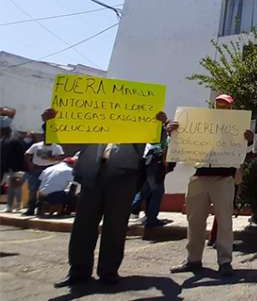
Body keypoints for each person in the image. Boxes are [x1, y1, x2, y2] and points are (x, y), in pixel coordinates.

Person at [45, 108, 170, 287]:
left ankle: (109, 271)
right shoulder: (91, 123)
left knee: (116, 226)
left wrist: (160, 125)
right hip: (91, 176)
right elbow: (64, 141)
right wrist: (51, 123)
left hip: (124, 176)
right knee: (83, 225)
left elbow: (156, 141)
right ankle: (78, 271)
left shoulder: (137, 125)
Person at [169, 94, 253, 277]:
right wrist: (173, 132)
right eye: (219, 104)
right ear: (214, 105)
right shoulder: (199, 123)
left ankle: (225, 261)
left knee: (224, 221)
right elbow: (182, 142)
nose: (222, 107)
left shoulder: (237, 125)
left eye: (226, 105)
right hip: (199, 177)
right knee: (195, 221)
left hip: (223, 179)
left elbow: (242, 149)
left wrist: (249, 139)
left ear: (231, 108)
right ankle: (193, 259)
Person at [129, 124, 172, 229]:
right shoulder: (160, 131)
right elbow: (160, 147)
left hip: (150, 164)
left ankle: (149, 218)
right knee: (156, 191)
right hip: (155, 164)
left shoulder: (152, 129)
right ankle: (151, 220)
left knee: (145, 191)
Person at [23, 136, 65, 216]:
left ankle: (41, 209)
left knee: (45, 189)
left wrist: (52, 158)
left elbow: (61, 157)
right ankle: (31, 209)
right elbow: (27, 154)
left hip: (49, 169)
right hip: (36, 169)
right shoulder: (36, 145)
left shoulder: (57, 147)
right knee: (33, 189)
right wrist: (30, 164)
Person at [1, 107, 26, 213]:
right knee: (11, 188)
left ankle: (14, 206)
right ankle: (12, 206)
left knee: (14, 188)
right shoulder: (5, 138)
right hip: (7, 168)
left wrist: (19, 169)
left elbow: (21, 154)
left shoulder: (14, 138)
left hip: (14, 168)